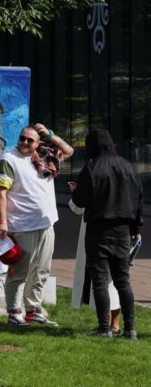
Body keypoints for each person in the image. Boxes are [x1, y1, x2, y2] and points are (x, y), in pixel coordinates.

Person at [0, 123, 73, 327]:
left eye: (30, 140)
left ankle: (33, 310)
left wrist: (51, 134)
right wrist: (2, 222)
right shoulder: (8, 160)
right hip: (21, 226)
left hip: (46, 224)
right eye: (22, 138)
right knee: (19, 271)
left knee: (42, 270)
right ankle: (14, 312)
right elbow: (0, 194)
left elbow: (69, 150)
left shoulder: (45, 158)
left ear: (38, 143)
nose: (25, 142)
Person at [71, 129, 143, 339]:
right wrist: (134, 228)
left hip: (98, 229)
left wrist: (76, 191)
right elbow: (138, 199)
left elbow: (80, 201)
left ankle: (104, 328)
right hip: (123, 230)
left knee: (100, 280)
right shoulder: (128, 166)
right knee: (123, 280)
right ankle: (130, 329)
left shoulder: (92, 167)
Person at [68, 199, 121, 334]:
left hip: (98, 230)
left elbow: (76, 206)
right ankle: (115, 324)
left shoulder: (94, 178)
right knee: (116, 277)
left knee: (104, 278)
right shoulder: (126, 178)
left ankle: (106, 325)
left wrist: (76, 192)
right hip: (119, 230)